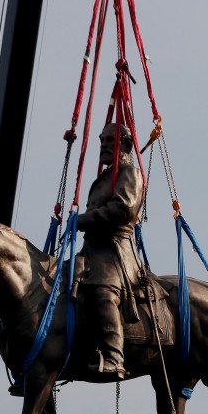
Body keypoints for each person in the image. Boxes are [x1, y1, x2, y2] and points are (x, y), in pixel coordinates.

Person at [76, 122, 144, 381]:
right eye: (102, 141)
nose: (103, 146)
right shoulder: (103, 179)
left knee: (104, 293)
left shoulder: (129, 174)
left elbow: (122, 210)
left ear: (125, 145)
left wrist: (81, 220)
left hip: (115, 251)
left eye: (109, 141)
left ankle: (115, 357)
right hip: (92, 250)